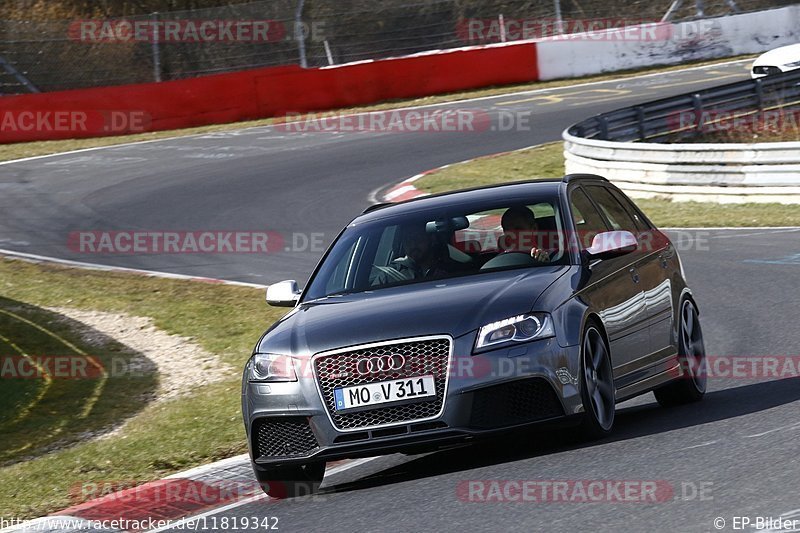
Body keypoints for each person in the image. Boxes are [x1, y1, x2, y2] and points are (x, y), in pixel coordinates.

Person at [371, 223, 451, 286]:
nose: (413, 244)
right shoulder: (388, 277)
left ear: (431, 239)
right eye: (408, 240)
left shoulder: (452, 270)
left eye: (418, 238)